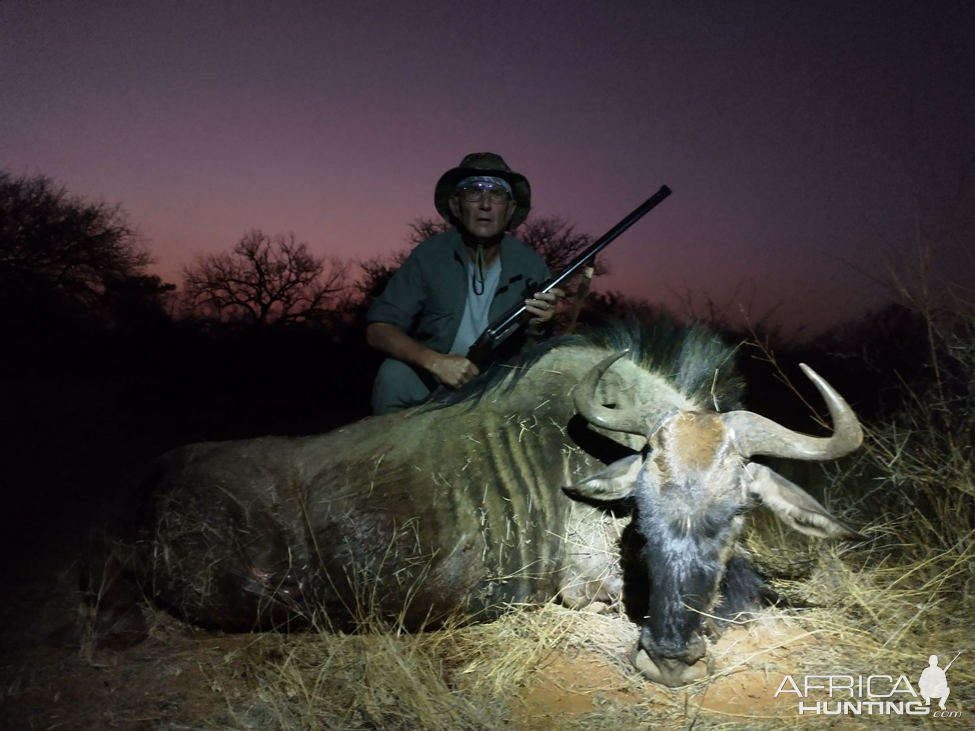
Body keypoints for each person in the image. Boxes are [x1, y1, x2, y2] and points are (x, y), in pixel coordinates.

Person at [366, 152, 564, 414]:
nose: (485, 204)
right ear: (457, 206)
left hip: (496, 382)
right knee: (395, 375)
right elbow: (378, 329)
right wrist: (435, 363)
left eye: (497, 194)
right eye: (473, 191)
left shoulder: (533, 266)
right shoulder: (429, 255)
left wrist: (541, 326)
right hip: (435, 374)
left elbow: (536, 355)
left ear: (510, 210)